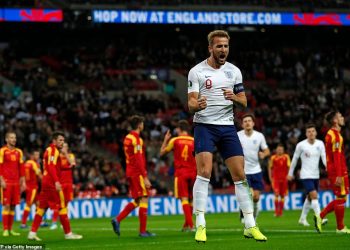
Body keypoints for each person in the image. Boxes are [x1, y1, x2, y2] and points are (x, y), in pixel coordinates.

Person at [187, 30, 267, 243]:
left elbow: (244, 102)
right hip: (204, 126)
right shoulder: (197, 72)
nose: (223, 50)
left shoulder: (234, 72)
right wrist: (198, 105)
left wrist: (235, 98)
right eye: (219, 46)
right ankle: (201, 224)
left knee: (240, 175)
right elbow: (191, 103)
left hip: (227, 127)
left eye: (226, 46)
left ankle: (250, 225)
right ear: (210, 48)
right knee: (204, 171)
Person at [28, 131, 82, 241]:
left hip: (46, 182)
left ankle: (32, 233)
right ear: (54, 141)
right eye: (60, 140)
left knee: (42, 208)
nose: (62, 142)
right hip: (51, 183)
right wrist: (57, 181)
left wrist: (68, 167)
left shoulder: (51, 150)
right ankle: (68, 234)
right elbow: (52, 167)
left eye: (63, 140)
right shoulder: (53, 150)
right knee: (62, 206)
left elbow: (54, 167)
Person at [111, 115, 155, 237]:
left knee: (137, 200)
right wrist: (145, 176)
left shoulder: (127, 138)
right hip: (137, 173)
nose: (143, 125)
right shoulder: (137, 139)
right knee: (144, 198)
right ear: (140, 124)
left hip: (130, 172)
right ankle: (143, 231)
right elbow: (139, 159)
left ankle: (117, 219)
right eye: (142, 123)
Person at [288, 123, 327, 231]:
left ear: (316, 133)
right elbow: (295, 159)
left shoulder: (320, 144)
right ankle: (320, 218)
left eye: (313, 131)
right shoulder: (301, 145)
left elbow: (324, 157)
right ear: (306, 134)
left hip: (316, 175)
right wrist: (290, 173)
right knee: (314, 196)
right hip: (305, 175)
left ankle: (302, 218)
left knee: (310, 198)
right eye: (309, 131)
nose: (311, 133)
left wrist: (328, 167)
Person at [160, 120, 197, 232]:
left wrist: (165, 140)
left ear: (179, 129)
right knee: (191, 199)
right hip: (193, 173)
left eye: (177, 129)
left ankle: (191, 226)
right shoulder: (194, 140)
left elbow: (162, 153)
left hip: (181, 173)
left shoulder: (175, 140)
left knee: (184, 199)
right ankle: (186, 225)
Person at [319, 111, 350, 234]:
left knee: (341, 198)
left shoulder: (333, 134)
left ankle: (324, 218)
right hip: (338, 171)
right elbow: (336, 157)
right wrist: (339, 174)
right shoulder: (335, 136)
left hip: (338, 170)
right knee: (341, 198)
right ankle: (339, 227)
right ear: (335, 121)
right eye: (340, 116)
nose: (343, 118)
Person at [238, 114, 270, 222]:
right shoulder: (238, 136)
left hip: (256, 170)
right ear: (242, 124)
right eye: (245, 121)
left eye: (249, 121)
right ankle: (248, 218)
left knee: (256, 198)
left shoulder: (259, 136)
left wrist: (264, 154)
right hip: (244, 171)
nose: (247, 123)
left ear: (253, 123)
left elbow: (267, 150)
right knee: (249, 195)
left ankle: (254, 219)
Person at [0, 132, 26, 237]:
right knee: (6, 205)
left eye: (15, 138)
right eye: (11, 138)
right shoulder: (2, 151)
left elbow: (21, 167)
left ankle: (10, 229)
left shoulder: (19, 152)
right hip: (6, 181)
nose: (14, 139)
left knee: (13, 206)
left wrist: (23, 181)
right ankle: (5, 229)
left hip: (16, 182)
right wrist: (1, 180)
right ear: (6, 139)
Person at [50, 143, 76, 230]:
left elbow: (72, 163)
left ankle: (63, 222)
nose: (64, 148)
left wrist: (66, 154)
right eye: (63, 147)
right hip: (60, 183)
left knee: (66, 203)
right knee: (59, 204)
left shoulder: (71, 156)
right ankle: (54, 222)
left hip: (68, 183)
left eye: (65, 147)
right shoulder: (57, 157)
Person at [20, 149, 42, 228]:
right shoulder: (34, 164)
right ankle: (23, 223)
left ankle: (40, 222)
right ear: (32, 156)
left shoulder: (26, 163)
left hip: (28, 186)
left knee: (38, 204)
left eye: (38, 155)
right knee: (28, 205)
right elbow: (39, 176)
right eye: (36, 155)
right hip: (33, 187)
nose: (38, 157)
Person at [268, 144, 290, 217]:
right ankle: (276, 212)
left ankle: (280, 212)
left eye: (281, 149)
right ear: (276, 150)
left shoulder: (286, 157)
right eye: (278, 149)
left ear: (283, 150)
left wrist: (289, 175)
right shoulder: (273, 157)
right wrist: (270, 177)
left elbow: (289, 167)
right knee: (276, 194)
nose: (280, 150)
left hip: (284, 179)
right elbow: (270, 168)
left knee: (282, 195)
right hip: (276, 179)